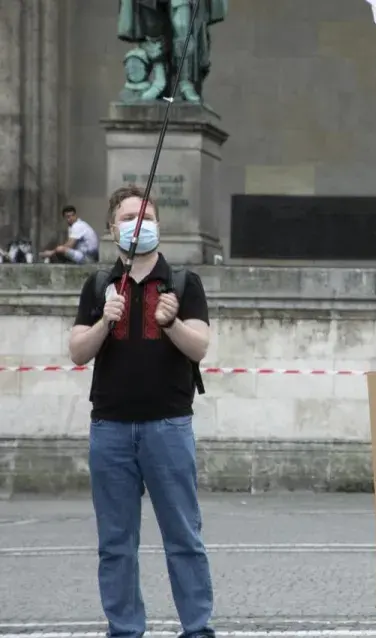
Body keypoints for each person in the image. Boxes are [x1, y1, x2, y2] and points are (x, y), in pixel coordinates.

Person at [68, 185, 215, 638]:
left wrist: (170, 323)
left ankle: (197, 627)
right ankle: (125, 629)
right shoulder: (97, 285)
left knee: (184, 539)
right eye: (130, 216)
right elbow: (77, 351)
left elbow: (200, 347)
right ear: (113, 228)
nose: (139, 223)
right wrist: (104, 320)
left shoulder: (184, 283)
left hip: (168, 425)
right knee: (116, 544)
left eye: (146, 215)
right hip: (110, 427)